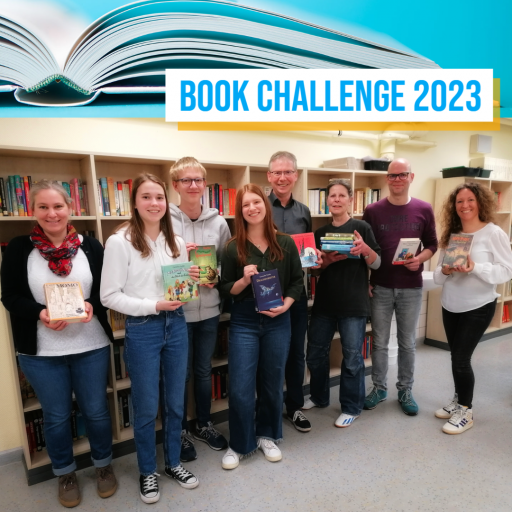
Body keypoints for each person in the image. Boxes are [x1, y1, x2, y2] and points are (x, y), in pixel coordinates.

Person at [0, 180, 117, 508]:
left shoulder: (90, 246)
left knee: (96, 411)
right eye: (43, 207)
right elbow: (10, 297)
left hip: (90, 345)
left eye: (58, 206)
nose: (52, 213)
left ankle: (103, 466)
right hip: (42, 352)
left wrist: (92, 304)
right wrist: (40, 313)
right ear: (32, 210)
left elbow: (107, 290)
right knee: (55, 416)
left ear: (70, 208)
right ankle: (65, 473)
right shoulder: (19, 248)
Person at [100, 173, 200, 504]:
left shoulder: (177, 242)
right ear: (134, 202)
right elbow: (108, 296)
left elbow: (180, 288)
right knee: (145, 406)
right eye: (146, 197)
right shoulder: (120, 242)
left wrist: (191, 279)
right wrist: (152, 305)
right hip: (143, 327)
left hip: (177, 324)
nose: (154, 203)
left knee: (174, 402)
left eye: (159, 197)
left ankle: (172, 463)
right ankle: (147, 470)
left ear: (166, 202)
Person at [219, 184, 303, 470]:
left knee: (272, 382)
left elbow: (297, 281)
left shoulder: (286, 243)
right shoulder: (231, 248)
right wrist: (243, 280)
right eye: (245, 205)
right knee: (241, 386)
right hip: (244, 321)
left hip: (279, 320)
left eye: (256, 202)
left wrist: (287, 304)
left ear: (265, 206)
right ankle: (240, 443)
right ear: (239, 211)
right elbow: (226, 289)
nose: (252, 208)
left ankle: (267, 435)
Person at [433, 182, 512, 434]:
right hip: (450, 304)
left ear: (480, 203)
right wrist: (446, 269)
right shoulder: (452, 234)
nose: (464, 205)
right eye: (459, 201)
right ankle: (458, 400)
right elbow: (437, 276)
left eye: (470, 200)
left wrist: (475, 267)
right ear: (453, 206)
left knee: (461, 359)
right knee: (456, 357)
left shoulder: (493, 233)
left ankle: (465, 412)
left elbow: (507, 271)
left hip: (478, 306)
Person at [362, 158, 438, 415]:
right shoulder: (373, 211)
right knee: (380, 343)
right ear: (387, 179)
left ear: (411, 177)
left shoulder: (424, 208)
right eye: (392, 175)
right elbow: (365, 250)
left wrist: (420, 259)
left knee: (407, 343)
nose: (397, 180)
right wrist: (366, 281)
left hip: (411, 287)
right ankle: (379, 388)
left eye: (402, 175)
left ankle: (405, 389)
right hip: (380, 286)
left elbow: (432, 244)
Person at [304, 179, 381, 427]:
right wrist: (326, 261)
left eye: (341, 195)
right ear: (327, 200)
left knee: (352, 357)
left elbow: (377, 263)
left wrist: (364, 249)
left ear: (350, 199)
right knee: (315, 353)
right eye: (332, 196)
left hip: (353, 304)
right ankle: (319, 397)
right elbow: (314, 270)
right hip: (324, 303)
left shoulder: (361, 227)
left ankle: (351, 406)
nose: (336, 200)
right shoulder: (320, 232)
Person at [169, 157, 231, 461]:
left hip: (209, 311)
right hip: (177, 312)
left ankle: (204, 424)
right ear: (175, 185)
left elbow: (226, 261)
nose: (193, 185)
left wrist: (215, 275)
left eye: (198, 180)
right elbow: (156, 264)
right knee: (179, 375)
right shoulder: (165, 221)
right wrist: (181, 258)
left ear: (205, 184)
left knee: (204, 370)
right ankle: (180, 431)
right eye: (186, 180)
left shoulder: (219, 223)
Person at [267, 150, 321, 433]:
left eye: (288, 172)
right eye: (277, 172)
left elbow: (306, 250)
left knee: (296, 352)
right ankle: (269, 408)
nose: (282, 177)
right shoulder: (259, 207)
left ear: (296, 176)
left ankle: (295, 407)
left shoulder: (304, 211)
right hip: (268, 292)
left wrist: (314, 256)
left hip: (297, 291)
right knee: (269, 354)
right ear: (269, 176)